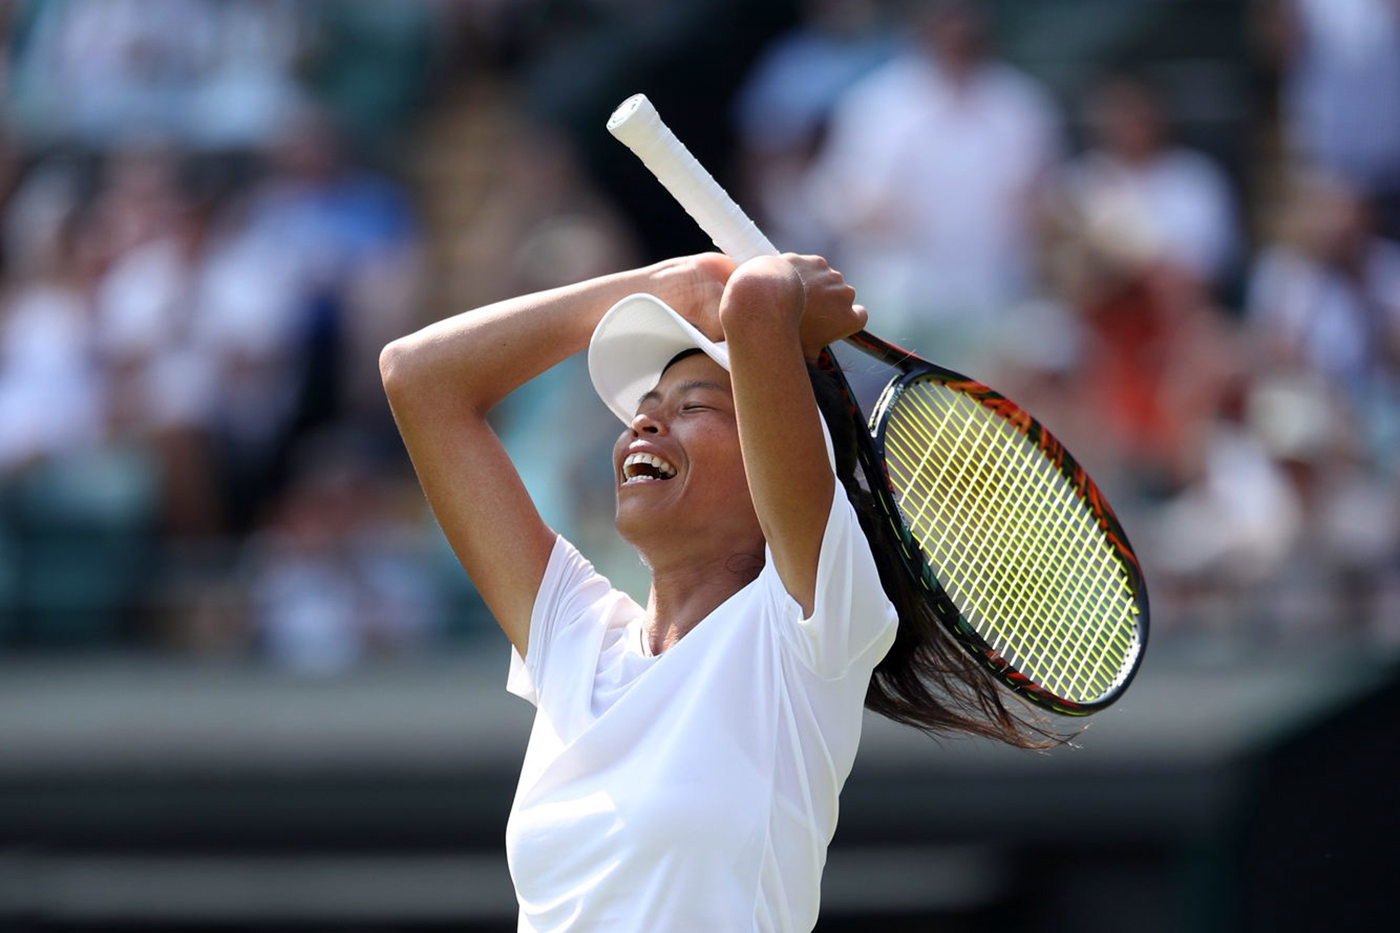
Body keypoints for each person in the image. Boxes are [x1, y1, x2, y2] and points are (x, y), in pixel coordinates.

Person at [380, 251, 1050, 931]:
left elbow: (758, 295)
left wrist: (764, 301)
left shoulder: (802, 627)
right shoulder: (579, 641)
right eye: (644, 409)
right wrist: (678, 287)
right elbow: (418, 375)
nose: (643, 424)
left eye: (694, 405)